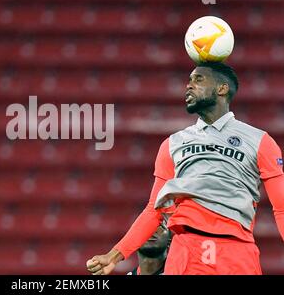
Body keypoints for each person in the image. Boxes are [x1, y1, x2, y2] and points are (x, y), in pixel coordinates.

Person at [86, 62, 284, 275]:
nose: (188, 86)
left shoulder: (260, 141)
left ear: (222, 88)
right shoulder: (173, 144)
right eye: (188, 80)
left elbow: (281, 207)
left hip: (236, 252)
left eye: (198, 80)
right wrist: (115, 255)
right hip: (185, 251)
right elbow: (154, 209)